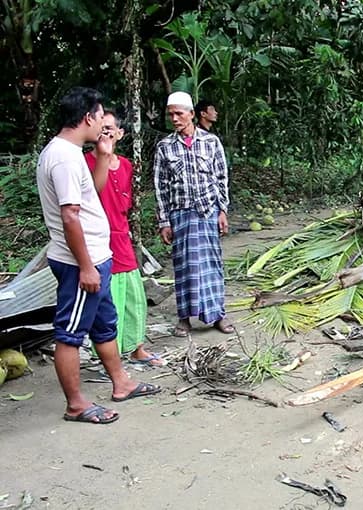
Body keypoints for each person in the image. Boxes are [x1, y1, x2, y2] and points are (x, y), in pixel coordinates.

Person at [36, 87, 161, 424]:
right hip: (82, 262)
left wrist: (104, 154)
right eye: (100, 116)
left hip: (97, 258)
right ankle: (76, 404)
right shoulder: (62, 156)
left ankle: (121, 383)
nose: (103, 124)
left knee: (105, 326)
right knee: (70, 332)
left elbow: (91, 193)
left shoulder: (73, 151)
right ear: (88, 117)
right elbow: (70, 215)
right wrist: (87, 267)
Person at [85, 109, 163, 366]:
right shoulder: (85, 162)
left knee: (132, 294)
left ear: (120, 133)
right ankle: (111, 355)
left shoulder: (128, 165)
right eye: (102, 128)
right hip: (97, 237)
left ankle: (136, 346)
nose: (106, 133)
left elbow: (129, 204)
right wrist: (104, 158)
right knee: (109, 297)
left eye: (111, 129)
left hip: (122, 235)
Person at [153, 91, 234, 337]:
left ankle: (217, 315)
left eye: (179, 113)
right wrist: (164, 221)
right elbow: (160, 186)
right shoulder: (165, 147)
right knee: (184, 266)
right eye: (171, 115)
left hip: (208, 212)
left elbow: (221, 178)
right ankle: (185, 319)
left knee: (212, 264)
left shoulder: (211, 142)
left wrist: (222, 210)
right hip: (180, 215)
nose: (175, 119)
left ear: (191, 114)